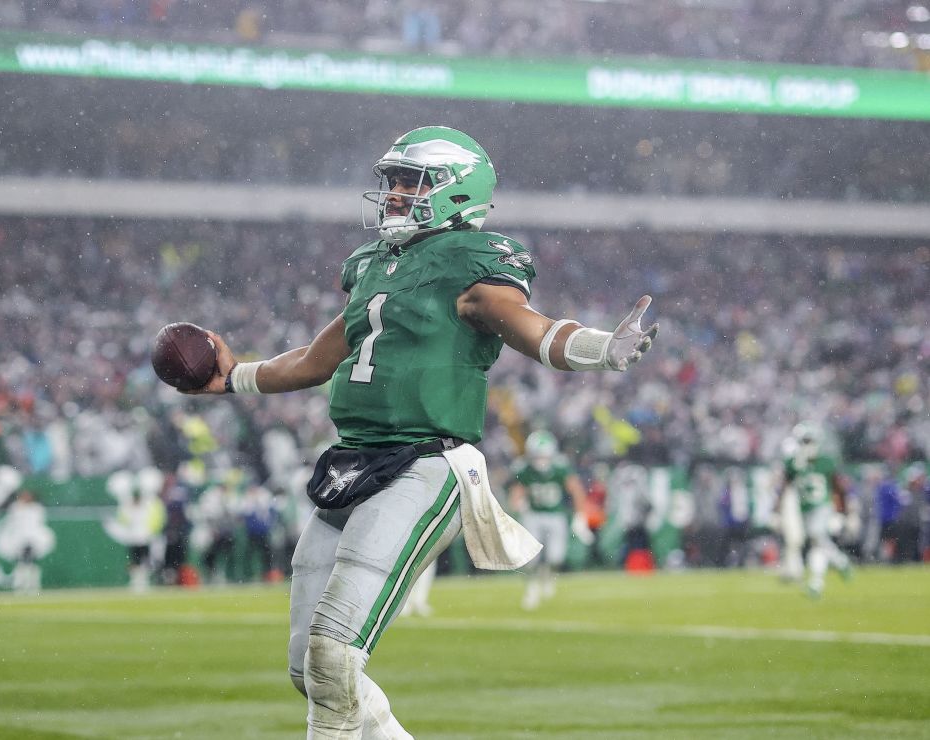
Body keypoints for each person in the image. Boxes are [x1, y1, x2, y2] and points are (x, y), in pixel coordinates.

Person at [182, 126, 658, 739]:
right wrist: (234, 379)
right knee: (310, 668)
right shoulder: (376, 265)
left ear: (458, 191)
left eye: (412, 181)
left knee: (336, 653)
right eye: (393, 182)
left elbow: (527, 325)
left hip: (424, 462)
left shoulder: (471, 260)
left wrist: (599, 348)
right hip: (354, 462)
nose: (397, 194)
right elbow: (315, 359)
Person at [508, 430, 592, 610]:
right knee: (530, 558)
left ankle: (547, 576)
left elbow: (575, 489)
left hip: (555, 515)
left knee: (556, 557)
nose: (541, 461)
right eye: (537, 457)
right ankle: (531, 587)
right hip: (534, 515)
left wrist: (580, 515)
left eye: (544, 456)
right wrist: (518, 504)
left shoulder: (560, 466)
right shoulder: (524, 468)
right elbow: (517, 492)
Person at [779, 422, 852, 599]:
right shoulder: (794, 463)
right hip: (804, 510)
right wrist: (778, 509)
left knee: (816, 535)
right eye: (804, 441)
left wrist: (844, 511)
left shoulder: (826, 461)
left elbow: (838, 488)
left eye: (809, 440)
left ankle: (840, 562)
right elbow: (785, 486)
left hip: (823, 507)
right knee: (817, 545)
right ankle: (817, 583)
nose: (807, 445)